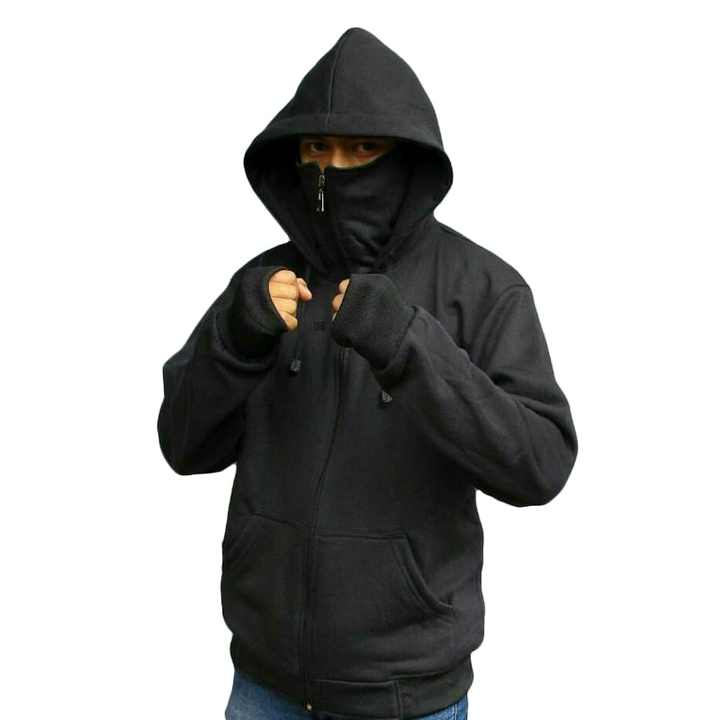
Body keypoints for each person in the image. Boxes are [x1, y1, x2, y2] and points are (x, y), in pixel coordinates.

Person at [157, 26, 578, 720]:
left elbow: (541, 464)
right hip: (263, 684)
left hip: (407, 695)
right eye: (317, 149)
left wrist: (410, 345)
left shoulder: (482, 289)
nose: (334, 169)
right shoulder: (263, 285)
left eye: (362, 149)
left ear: (405, 156)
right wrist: (235, 338)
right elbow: (182, 444)